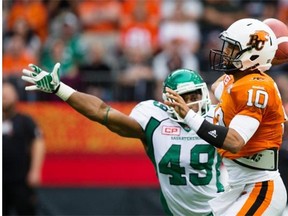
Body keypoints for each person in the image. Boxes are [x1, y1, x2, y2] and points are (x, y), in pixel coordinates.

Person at [21, 63, 224, 215]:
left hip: (222, 210)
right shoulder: (154, 119)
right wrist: (60, 89)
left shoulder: (218, 117)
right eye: (184, 97)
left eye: (194, 95)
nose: (190, 103)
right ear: (169, 101)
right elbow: (102, 113)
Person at [163, 18, 287, 215]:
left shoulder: (255, 87)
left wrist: (190, 116)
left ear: (253, 55)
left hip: (260, 186)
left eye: (232, 47)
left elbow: (235, 141)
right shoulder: (234, 80)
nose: (225, 52)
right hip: (238, 185)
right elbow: (218, 87)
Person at [3, 81, 46, 215]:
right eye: (1, 94)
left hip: (20, 180)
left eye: (7, 94)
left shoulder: (25, 121)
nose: (3, 97)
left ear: (16, 96)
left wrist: (35, 170)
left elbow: (39, 142)